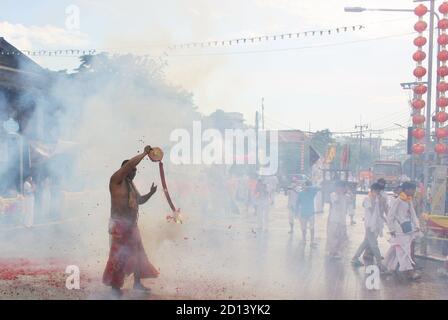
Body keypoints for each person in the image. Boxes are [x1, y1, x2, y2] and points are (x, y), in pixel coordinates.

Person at [103, 146, 159, 297]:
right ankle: (115, 288)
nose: (133, 173)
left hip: (131, 225)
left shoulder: (130, 184)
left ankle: (137, 283)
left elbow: (139, 200)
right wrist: (145, 154)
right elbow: (129, 165)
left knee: (138, 253)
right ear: (124, 170)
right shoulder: (116, 180)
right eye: (131, 170)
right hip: (119, 225)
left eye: (135, 172)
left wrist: (151, 193)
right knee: (118, 256)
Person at [384, 182, 421, 280]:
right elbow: (390, 216)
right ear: (407, 189)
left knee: (397, 248)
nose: (414, 192)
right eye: (413, 190)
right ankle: (410, 271)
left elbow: (413, 214)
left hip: (407, 229)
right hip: (398, 230)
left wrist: (417, 225)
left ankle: (388, 267)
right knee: (404, 250)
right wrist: (391, 229)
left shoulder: (409, 200)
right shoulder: (398, 200)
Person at [351, 183, 387, 271]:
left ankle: (355, 258)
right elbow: (371, 210)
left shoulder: (378, 199)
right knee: (374, 244)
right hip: (369, 225)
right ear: (372, 190)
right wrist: (376, 200)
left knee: (366, 242)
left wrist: (382, 203)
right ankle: (379, 263)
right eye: (376, 191)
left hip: (375, 224)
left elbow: (380, 212)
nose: (377, 193)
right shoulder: (367, 199)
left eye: (378, 191)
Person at [327, 181, 350, 259]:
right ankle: (332, 252)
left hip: (342, 219)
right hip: (334, 219)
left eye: (342, 187)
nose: (340, 189)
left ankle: (336, 251)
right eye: (339, 187)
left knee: (341, 236)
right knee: (333, 236)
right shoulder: (333, 195)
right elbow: (336, 202)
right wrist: (340, 194)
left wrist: (347, 190)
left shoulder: (346, 196)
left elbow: (351, 199)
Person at [296, 181, 320, 247]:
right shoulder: (300, 193)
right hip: (303, 213)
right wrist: (296, 212)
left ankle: (312, 241)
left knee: (312, 228)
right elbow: (297, 203)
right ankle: (304, 240)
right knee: (303, 228)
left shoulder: (312, 192)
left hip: (311, 213)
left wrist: (309, 187)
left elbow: (318, 188)